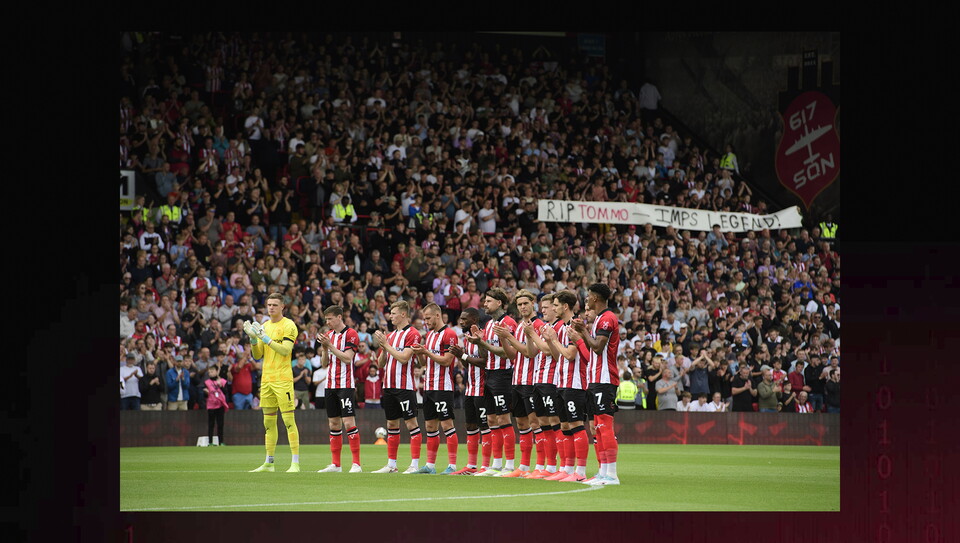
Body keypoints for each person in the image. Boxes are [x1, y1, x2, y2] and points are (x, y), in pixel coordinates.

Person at [570, 283, 621, 486]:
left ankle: (612, 474)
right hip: (595, 379)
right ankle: (602, 472)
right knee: (597, 428)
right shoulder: (600, 318)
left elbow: (598, 348)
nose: (586, 299)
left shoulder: (608, 318)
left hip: (605, 380)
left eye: (589, 296)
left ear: (596, 298)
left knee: (604, 426)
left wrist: (583, 332)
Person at [245, 293, 302, 473]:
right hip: (267, 379)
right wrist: (254, 340)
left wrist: (265, 338)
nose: (271, 308)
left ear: (282, 307)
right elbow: (257, 355)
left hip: (283, 379)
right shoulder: (264, 326)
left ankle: (295, 463)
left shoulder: (289, 325)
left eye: (275, 305)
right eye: (269, 304)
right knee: (268, 423)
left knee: (288, 421)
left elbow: (286, 350)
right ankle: (269, 462)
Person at [493, 289, 546, 477]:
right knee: (522, 424)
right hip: (517, 379)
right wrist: (503, 337)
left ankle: (541, 466)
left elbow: (529, 352)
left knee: (535, 422)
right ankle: (523, 467)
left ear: (533, 303)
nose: (523, 307)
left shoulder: (538, 325)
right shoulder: (520, 325)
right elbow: (513, 355)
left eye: (526, 303)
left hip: (532, 380)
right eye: (520, 304)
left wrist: (508, 336)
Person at [465, 288, 518, 476]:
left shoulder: (509, 323)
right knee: (491, 419)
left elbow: (507, 353)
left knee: (504, 418)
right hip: (489, 374)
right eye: (485, 301)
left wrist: (483, 344)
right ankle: (495, 465)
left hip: (504, 375)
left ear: (499, 303)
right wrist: (478, 342)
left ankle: (509, 464)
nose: (485, 304)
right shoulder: (488, 325)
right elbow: (485, 354)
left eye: (488, 301)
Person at [542, 290, 590, 481]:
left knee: (576, 424)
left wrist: (553, 340)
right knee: (564, 425)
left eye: (555, 305)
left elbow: (570, 355)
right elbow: (558, 355)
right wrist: (550, 340)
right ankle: (568, 469)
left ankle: (581, 471)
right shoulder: (562, 328)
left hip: (575, 383)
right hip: (561, 383)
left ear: (565, 306)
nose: (553, 308)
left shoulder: (575, 326)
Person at [371, 300, 424, 474]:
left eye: (393, 313)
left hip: (405, 387)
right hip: (389, 385)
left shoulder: (413, 333)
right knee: (392, 424)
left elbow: (404, 358)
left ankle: (414, 465)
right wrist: (383, 349)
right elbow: (380, 364)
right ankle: (391, 465)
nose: (390, 316)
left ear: (403, 314)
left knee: (411, 424)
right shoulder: (391, 336)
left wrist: (386, 345)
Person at [410, 303, 460, 474]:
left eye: (428, 318)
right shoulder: (430, 335)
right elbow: (424, 363)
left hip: (443, 387)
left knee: (447, 424)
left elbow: (447, 361)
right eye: (424, 319)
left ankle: (452, 466)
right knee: (430, 426)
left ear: (438, 316)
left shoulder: (450, 334)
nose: (426, 322)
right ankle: (430, 466)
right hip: (429, 387)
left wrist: (426, 352)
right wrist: (419, 353)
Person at [314, 306, 362, 473]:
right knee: (333, 423)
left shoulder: (351, 334)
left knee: (348, 422)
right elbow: (324, 363)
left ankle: (356, 464)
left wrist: (330, 346)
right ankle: (336, 464)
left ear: (339, 317)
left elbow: (348, 358)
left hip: (345, 385)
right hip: (330, 385)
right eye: (326, 319)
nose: (327, 322)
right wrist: (325, 348)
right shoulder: (328, 336)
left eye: (330, 319)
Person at [448, 308, 491, 475]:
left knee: (484, 426)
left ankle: (486, 467)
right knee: (470, 426)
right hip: (470, 388)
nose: (461, 321)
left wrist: (463, 356)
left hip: (483, 389)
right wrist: (461, 356)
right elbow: (468, 365)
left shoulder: (483, 337)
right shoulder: (466, 340)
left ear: (474, 319)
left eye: (464, 319)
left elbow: (485, 361)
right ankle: (471, 466)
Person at [204, 365, 229, 446]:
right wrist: (205, 392)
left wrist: (221, 386)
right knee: (211, 424)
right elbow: (204, 394)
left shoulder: (223, 381)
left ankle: (221, 442)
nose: (210, 373)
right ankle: (210, 442)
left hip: (220, 404)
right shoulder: (207, 382)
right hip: (211, 405)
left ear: (217, 371)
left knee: (220, 424)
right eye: (209, 372)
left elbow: (226, 392)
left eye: (212, 371)